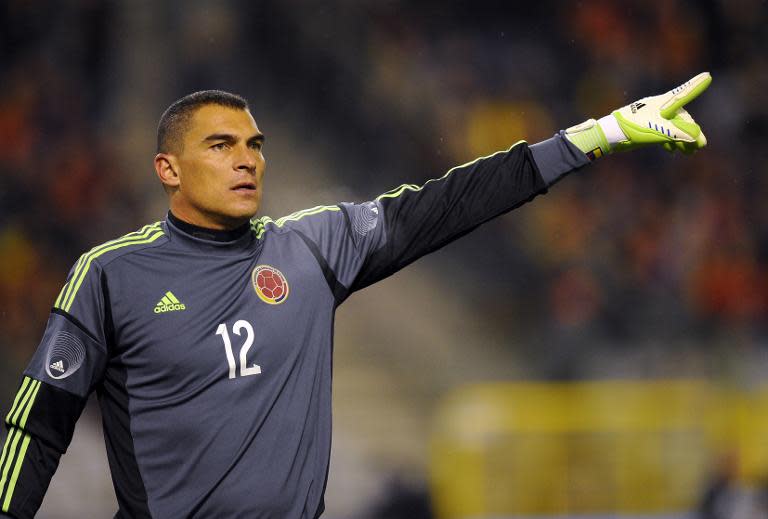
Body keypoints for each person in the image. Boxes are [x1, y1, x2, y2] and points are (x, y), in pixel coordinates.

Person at [0, 72, 712, 518]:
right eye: (221, 145)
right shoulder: (110, 273)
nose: (248, 158)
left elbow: (447, 203)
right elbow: (37, 426)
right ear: (167, 168)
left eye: (255, 144)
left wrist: (599, 134)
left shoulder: (311, 246)